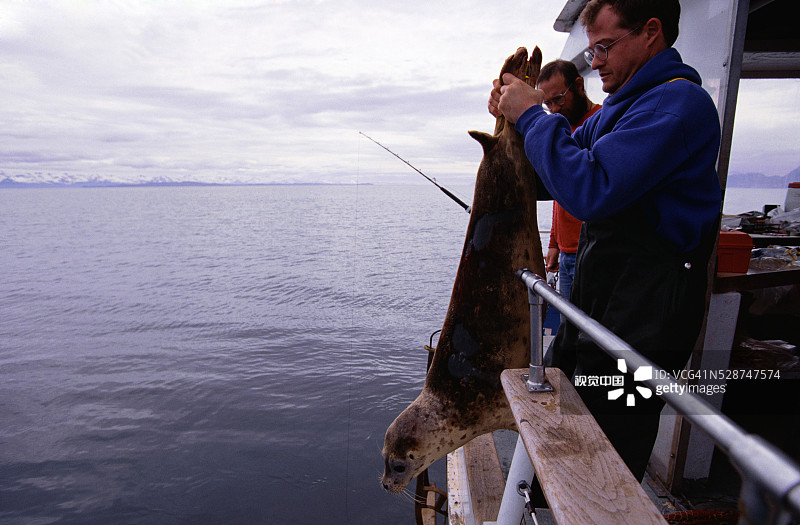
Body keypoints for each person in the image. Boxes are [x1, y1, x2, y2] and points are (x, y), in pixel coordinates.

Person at [489, 0, 722, 480]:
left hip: (649, 312)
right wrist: (513, 125)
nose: (594, 62)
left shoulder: (677, 104)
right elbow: (556, 180)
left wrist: (533, 116)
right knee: (558, 397)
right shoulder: (622, 107)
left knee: (612, 442)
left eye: (603, 47)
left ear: (651, 32)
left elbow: (592, 189)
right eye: (591, 49)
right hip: (601, 297)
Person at [537, 59, 601, 302]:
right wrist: (555, 243)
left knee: (584, 329)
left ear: (579, 85)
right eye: (548, 104)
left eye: (559, 99)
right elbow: (559, 190)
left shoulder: (601, 123)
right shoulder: (564, 129)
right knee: (569, 324)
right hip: (566, 252)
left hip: (591, 253)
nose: (554, 109)